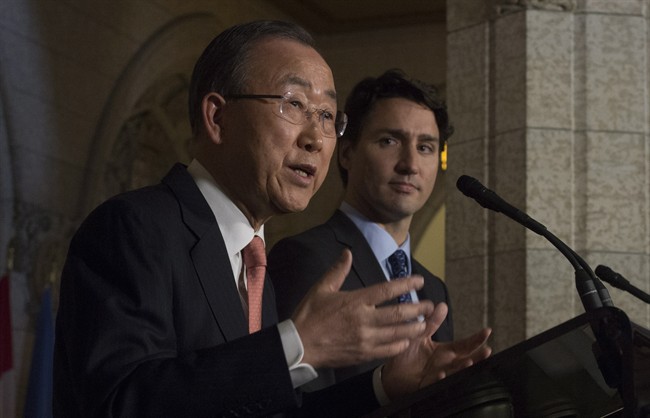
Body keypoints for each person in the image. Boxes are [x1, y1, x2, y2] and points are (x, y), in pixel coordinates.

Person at [54, 21, 491, 418]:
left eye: (325, 116)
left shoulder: (253, 259)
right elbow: (119, 401)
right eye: (293, 103)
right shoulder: (133, 228)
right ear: (217, 116)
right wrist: (296, 345)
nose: (315, 138)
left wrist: (381, 386)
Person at [269, 69, 484, 391]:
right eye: (389, 141)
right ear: (347, 153)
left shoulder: (434, 288)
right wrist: (381, 389)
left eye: (425, 147)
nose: (410, 164)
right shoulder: (306, 257)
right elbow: (294, 401)